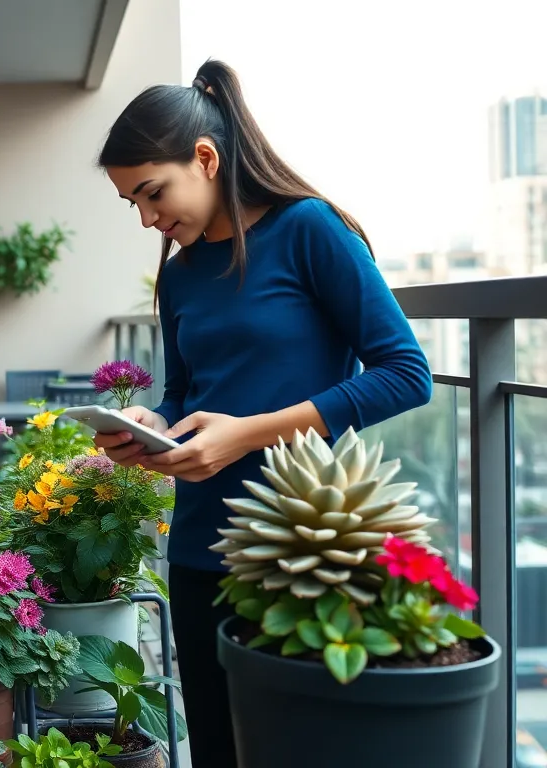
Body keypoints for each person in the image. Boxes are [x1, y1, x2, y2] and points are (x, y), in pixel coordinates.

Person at [92, 60, 432, 767]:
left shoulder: (309, 229)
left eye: (154, 192)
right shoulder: (180, 274)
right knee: (217, 749)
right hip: (197, 553)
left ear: (206, 159)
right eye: (135, 204)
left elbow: (406, 374)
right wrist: (154, 425)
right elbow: (186, 393)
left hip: (299, 552)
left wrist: (245, 437)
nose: (150, 218)